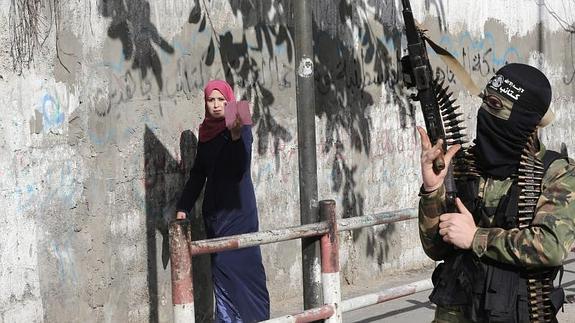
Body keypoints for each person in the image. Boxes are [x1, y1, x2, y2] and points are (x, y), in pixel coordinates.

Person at [417, 63, 575, 322]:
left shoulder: (556, 174)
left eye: (496, 105)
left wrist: (476, 237)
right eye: (485, 101)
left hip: (517, 312)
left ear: (525, 119)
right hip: (457, 310)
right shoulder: (466, 165)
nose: (485, 113)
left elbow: (551, 246)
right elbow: (436, 249)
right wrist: (433, 189)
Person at [176, 79, 270, 322]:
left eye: (221, 100)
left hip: (240, 213)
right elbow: (198, 174)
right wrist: (183, 207)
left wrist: (237, 137)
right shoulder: (205, 133)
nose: (216, 105)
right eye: (211, 100)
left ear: (230, 101)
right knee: (223, 274)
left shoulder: (238, 123)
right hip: (216, 217)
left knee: (248, 272)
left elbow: (241, 167)